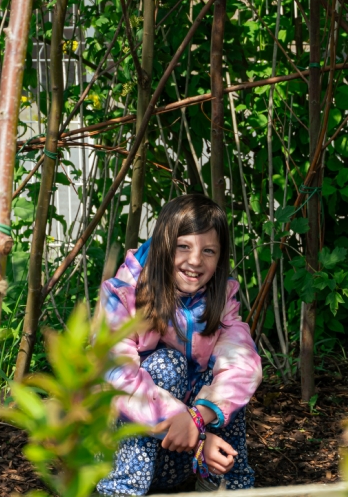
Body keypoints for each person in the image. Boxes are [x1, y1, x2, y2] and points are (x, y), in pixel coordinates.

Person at [97, 194, 262, 495]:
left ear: (221, 257)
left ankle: (225, 484)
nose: (196, 260)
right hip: (124, 449)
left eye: (208, 251)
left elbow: (243, 364)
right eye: (183, 246)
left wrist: (197, 418)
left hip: (184, 451)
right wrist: (193, 429)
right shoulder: (125, 294)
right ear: (163, 246)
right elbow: (114, 373)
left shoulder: (221, 298)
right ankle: (121, 490)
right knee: (166, 364)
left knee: (227, 381)